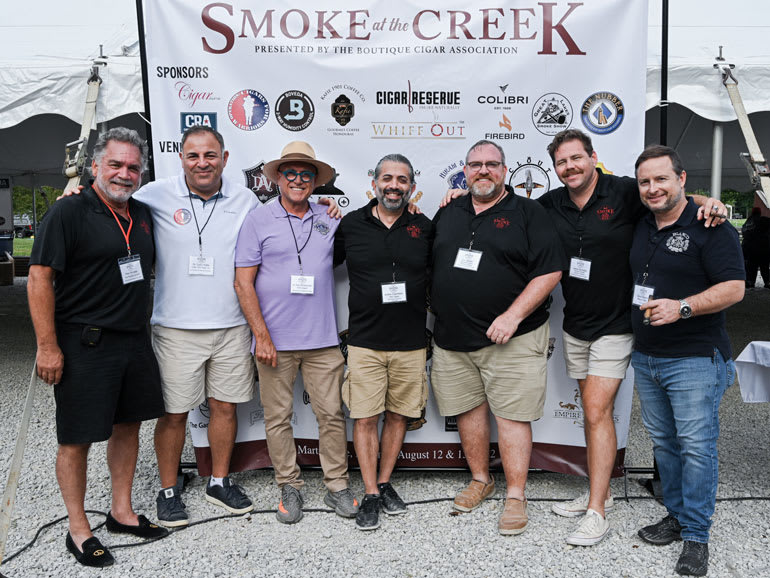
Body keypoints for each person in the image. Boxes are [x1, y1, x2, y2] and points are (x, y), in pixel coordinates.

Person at [539, 130, 728, 545]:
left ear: (593, 157)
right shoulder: (551, 203)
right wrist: (457, 197)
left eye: (576, 158)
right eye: (561, 162)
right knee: (595, 414)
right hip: (576, 324)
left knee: (595, 410)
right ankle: (599, 489)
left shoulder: (625, 191)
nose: (570, 167)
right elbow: (510, 210)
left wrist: (708, 202)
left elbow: (671, 195)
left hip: (617, 325)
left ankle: (597, 511)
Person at [27, 128, 167, 567]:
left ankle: (121, 512)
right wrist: (47, 346)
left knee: (128, 426)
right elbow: (39, 278)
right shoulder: (68, 211)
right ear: (94, 166)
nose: (124, 174)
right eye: (115, 164)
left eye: (133, 167)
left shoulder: (141, 213)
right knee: (77, 437)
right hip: (85, 342)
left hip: (133, 340)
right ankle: (78, 528)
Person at [430, 139, 566, 536]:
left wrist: (512, 315)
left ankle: (516, 496)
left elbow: (550, 271)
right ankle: (481, 479)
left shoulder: (529, 212)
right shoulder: (449, 210)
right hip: (453, 338)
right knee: (467, 410)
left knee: (511, 416)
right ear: (465, 172)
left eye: (492, 164)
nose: (483, 171)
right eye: (475, 165)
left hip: (513, 338)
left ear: (505, 171)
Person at [630, 145, 744, 577]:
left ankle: (697, 535)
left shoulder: (711, 226)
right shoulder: (642, 220)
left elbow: (734, 288)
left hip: (695, 357)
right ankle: (677, 516)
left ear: (681, 179)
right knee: (665, 445)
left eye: (662, 179)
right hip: (647, 356)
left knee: (696, 447)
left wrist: (683, 307)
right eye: (645, 181)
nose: (652, 188)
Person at [137, 126, 257, 526]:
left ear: (225, 159)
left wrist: (326, 208)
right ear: (181, 159)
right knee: (174, 414)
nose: (202, 163)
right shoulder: (155, 194)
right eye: (193, 156)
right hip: (176, 328)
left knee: (225, 407)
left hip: (231, 326)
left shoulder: (245, 199)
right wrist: (76, 195)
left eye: (210, 155)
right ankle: (169, 490)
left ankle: (218, 482)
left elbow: (278, 227)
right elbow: (109, 203)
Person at [234, 141, 358, 524]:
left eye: (306, 174)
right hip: (274, 341)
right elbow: (242, 283)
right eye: (291, 173)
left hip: (322, 340)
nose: (299, 180)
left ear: (316, 182)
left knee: (332, 415)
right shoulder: (258, 220)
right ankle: (289, 485)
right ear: (278, 178)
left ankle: (337, 485)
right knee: (278, 418)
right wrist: (261, 336)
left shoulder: (329, 217)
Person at [334, 154, 433, 530]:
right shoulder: (350, 224)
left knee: (398, 416)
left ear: (412, 187)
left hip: (411, 341)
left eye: (402, 180)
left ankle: (385, 480)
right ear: (374, 182)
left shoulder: (424, 226)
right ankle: (371, 492)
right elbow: (316, 258)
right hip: (365, 341)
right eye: (387, 178)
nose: (394, 185)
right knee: (364, 418)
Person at [741, 206, 770, 288]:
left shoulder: (747, 222)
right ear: (760, 213)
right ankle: (767, 282)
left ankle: (750, 282)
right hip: (763, 248)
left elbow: (745, 235)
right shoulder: (765, 220)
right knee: (764, 266)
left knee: (751, 267)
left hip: (750, 249)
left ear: (752, 212)